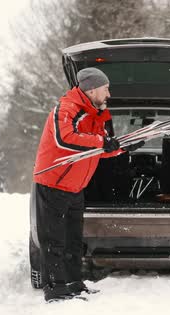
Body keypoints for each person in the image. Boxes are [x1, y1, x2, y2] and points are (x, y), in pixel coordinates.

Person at [32, 67, 143, 302]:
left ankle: (73, 282)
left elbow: (96, 151)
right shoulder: (66, 108)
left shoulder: (93, 115)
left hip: (75, 188)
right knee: (54, 240)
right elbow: (65, 139)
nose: (109, 94)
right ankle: (55, 288)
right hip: (54, 184)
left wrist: (121, 147)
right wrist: (103, 142)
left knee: (73, 240)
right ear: (92, 89)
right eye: (106, 89)